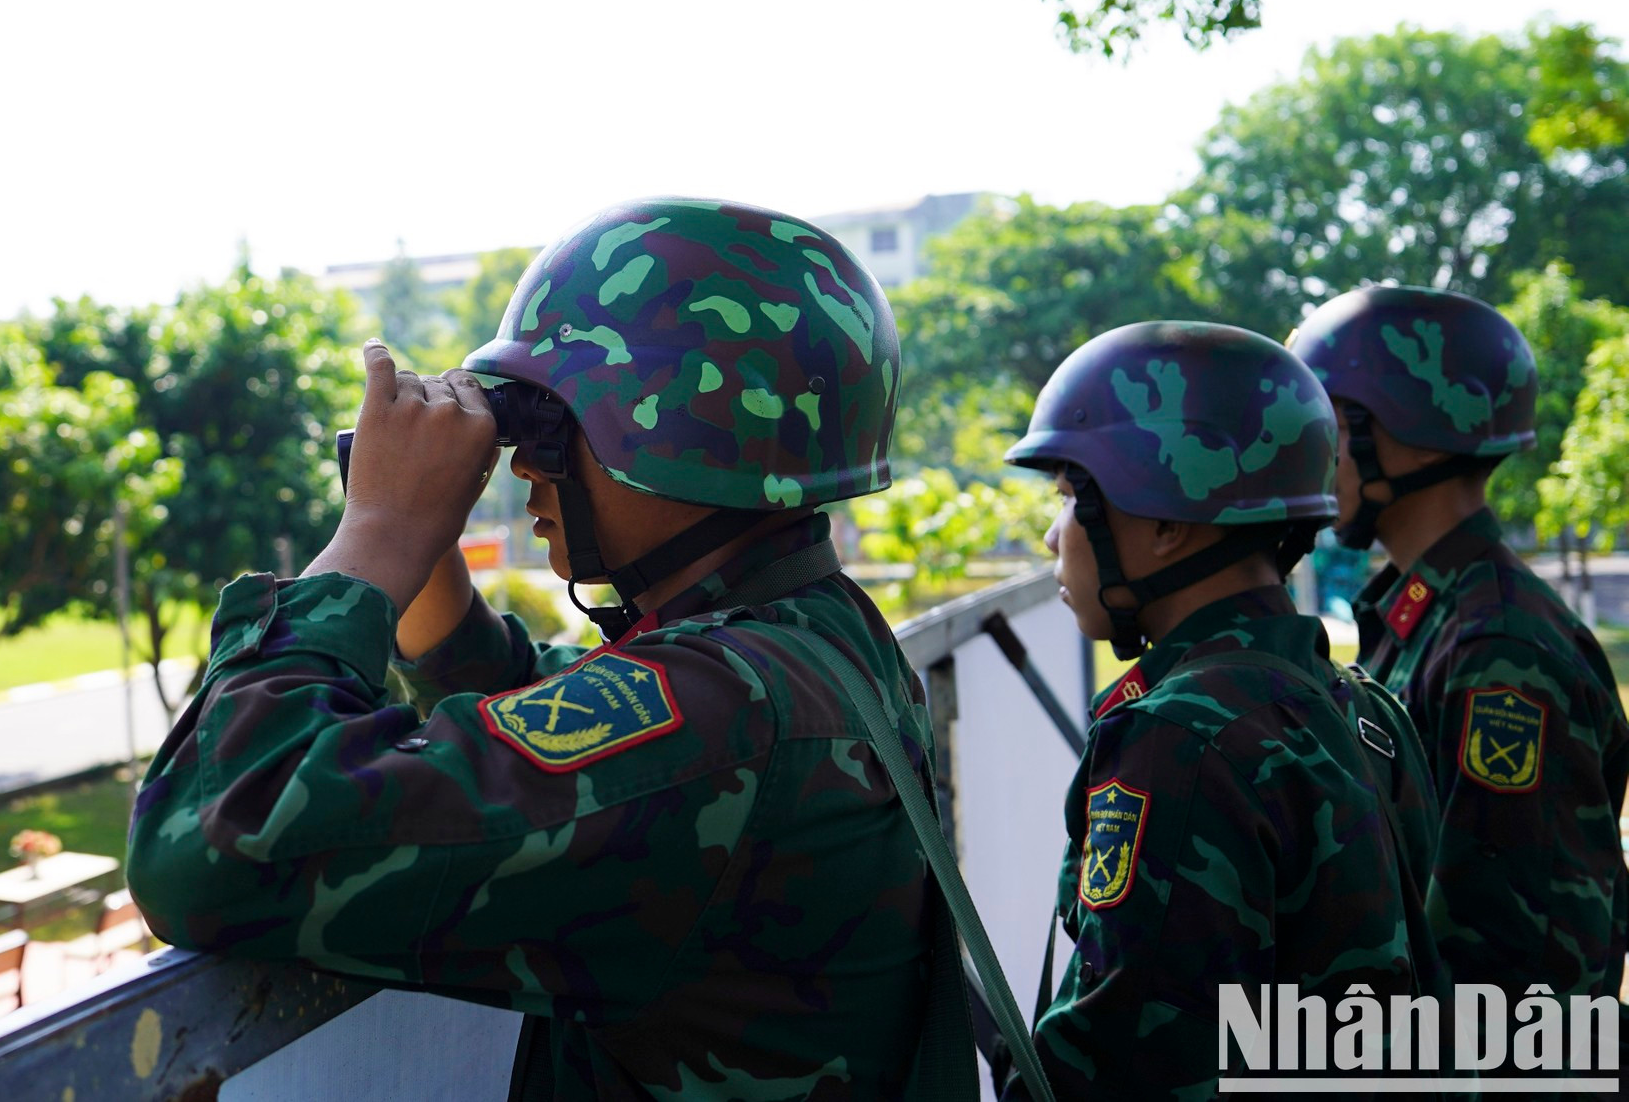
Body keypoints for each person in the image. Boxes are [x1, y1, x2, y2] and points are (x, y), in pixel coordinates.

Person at [126, 198, 961, 1100]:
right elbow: (560, 716)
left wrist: (372, 539)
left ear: (669, 429)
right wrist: (430, 568)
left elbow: (215, 839)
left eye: (553, 423)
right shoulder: (819, 636)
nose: (525, 463)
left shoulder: (733, 715)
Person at [1002, 321, 1446, 1096]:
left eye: (1072, 496)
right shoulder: (1361, 707)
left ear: (1167, 522)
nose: (1052, 535)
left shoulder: (1181, 740)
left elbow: (1123, 1063)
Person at [1289, 285, 1629, 1002]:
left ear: (1400, 432)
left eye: (1328, 426)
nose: (1308, 455)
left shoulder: (1499, 652)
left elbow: (1511, 970)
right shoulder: (1426, 618)